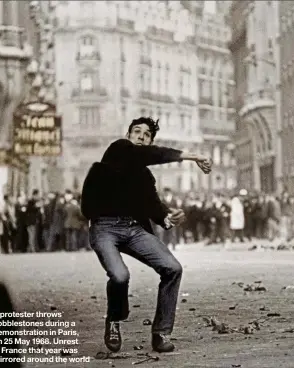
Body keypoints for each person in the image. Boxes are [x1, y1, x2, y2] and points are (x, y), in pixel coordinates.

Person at [81, 116, 212, 353]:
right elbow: (146, 155)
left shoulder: (145, 176)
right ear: (129, 135)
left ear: (150, 140)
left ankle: (161, 333)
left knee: (173, 268)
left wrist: (167, 218)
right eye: (137, 132)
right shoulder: (118, 149)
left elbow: (153, 206)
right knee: (120, 276)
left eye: (146, 135)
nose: (141, 136)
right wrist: (192, 156)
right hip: (104, 228)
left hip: (133, 229)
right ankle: (114, 320)